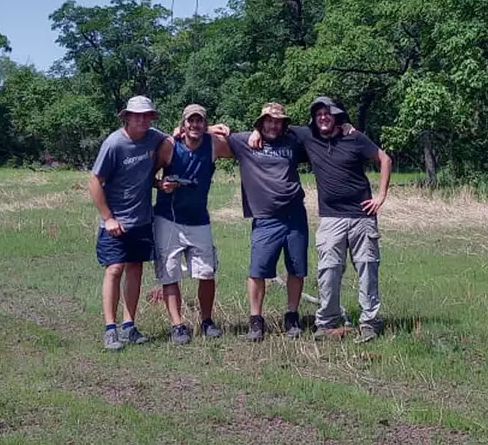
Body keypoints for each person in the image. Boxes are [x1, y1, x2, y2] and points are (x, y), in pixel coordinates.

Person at [249, 96, 391, 344]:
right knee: (328, 271)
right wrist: (255, 131)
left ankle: (369, 322)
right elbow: (274, 126)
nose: (323, 118)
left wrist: (380, 196)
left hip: (362, 216)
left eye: (327, 113)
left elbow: (385, 159)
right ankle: (327, 323)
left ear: (337, 116)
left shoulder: (354, 137)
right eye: (318, 114)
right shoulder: (307, 136)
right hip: (331, 218)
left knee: (367, 269)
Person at [208, 102, 310, 342]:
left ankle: (292, 317)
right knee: (258, 271)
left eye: (278, 122)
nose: (273, 125)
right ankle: (256, 322)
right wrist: (211, 127)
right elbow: (204, 135)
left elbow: (317, 133)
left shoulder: (292, 142)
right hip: (265, 218)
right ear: (261, 122)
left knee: (297, 268)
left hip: (295, 215)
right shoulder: (244, 142)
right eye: (269, 121)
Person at [88, 95, 169, 351]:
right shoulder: (114, 144)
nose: (142, 120)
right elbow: (94, 182)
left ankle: (129, 325)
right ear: (127, 117)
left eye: (147, 115)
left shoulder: (154, 137)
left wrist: (211, 128)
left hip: (141, 219)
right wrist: (108, 218)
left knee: (135, 269)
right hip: (116, 222)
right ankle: (110, 329)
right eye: (137, 115)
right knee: (114, 269)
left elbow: (179, 136)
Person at [151, 103, 232, 344]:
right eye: (191, 121)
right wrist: (160, 184)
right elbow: (147, 174)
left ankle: (207, 321)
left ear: (205, 124)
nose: (195, 125)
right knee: (170, 273)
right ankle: (177, 325)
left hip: (199, 219)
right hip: (168, 218)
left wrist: (215, 130)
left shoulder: (213, 144)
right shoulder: (170, 146)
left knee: (206, 272)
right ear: (183, 124)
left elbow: (240, 146)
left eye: (200, 121)